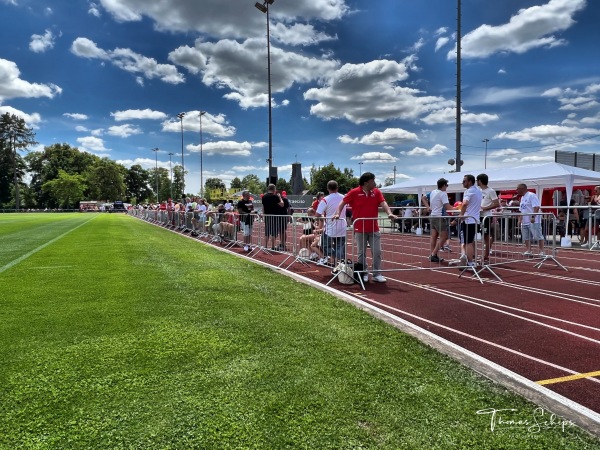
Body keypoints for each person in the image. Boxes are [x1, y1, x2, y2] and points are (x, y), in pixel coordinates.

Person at [332, 172, 397, 283]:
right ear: (366, 182)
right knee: (361, 253)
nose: (375, 183)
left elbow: (383, 203)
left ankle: (377, 273)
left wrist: (389, 213)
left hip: (374, 228)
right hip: (359, 228)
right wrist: (337, 213)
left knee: (377, 251)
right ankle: (363, 273)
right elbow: (342, 203)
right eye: (373, 180)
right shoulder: (354, 192)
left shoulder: (376, 192)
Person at [316, 180, 347, 266]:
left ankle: (333, 257)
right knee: (340, 247)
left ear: (327, 188)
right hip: (342, 227)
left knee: (325, 245)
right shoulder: (344, 198)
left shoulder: (325, 200)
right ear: (337, 188)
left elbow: (317, 214)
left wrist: (322, 216)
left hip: (330, 228)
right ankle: (339, 265)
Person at [458, 174, 482, 267]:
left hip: (468, 220)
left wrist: (461, 215)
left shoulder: (468, 191)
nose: (462, 183)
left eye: (464, 181)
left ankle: (470, 262)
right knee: (470, 241)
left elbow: (465, 204)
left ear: (470, 182)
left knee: (467, 242)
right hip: (475, 219)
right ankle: (469, 259)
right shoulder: (478, 191)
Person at [428, 178, 454, 263]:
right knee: (444, 236)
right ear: (443, 185)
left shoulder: (433, 192)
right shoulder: (443, 194)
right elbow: (447, 206)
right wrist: (456, 208)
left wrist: (428, 207)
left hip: (432, 216)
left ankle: (432, 254)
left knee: (434, 236)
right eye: (446, 185)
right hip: (438, 216)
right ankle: (434, 254)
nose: (447, 187)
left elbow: (423, 198)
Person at [516, 183, 544, 256]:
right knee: (526, 237)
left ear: (522, 189)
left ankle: (542, 251)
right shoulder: (522, 198)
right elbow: (522, 210)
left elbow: (536, 207)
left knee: (538, 236)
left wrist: (533, 217)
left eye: (517, 189)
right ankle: (529, 250)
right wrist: (520, 220)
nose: (516, 190)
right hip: (524, 221)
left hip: (533, 221)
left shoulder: (531, 195)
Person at [477, 173, 500, 261]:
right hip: (477, 215)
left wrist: (485, 208)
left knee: (486, 236)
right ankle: (475, 255)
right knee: (476, 236)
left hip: (486, 216)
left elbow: (496, 204)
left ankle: (486, 256)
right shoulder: (477, 190)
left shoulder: (491, 191)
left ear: (480, 181)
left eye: (477, 180)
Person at [261, 184, 284, 250]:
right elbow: (282, 204)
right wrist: (279, 197)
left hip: (267, 216)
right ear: (274, 189)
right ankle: (273, 246)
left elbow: (263, 207)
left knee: (267, 232)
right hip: (274, 216)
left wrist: (264, 215)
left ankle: (265, 246)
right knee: (274, 232)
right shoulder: (275, 196)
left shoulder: (264, 197)